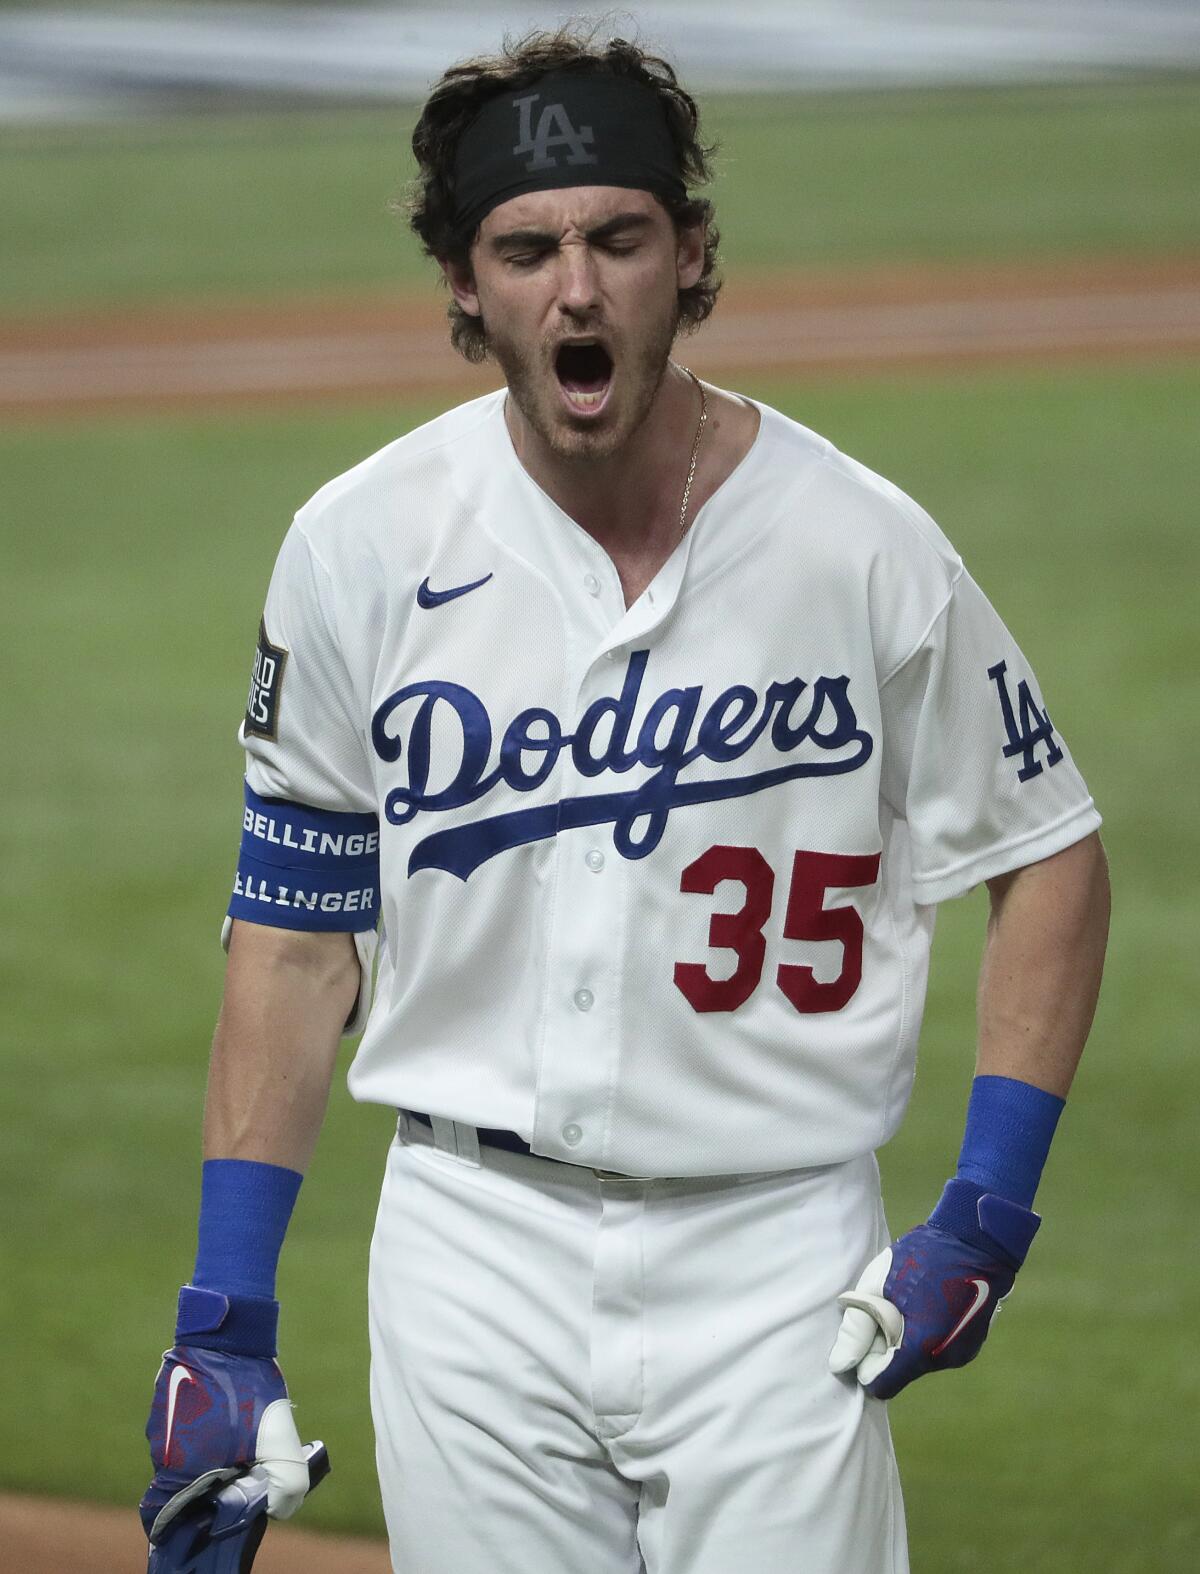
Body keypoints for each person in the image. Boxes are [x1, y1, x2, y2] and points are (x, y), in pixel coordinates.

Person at [141, 26, 1110, 1574]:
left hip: (784, 1255)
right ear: (465, 284)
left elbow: (1047, 850)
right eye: (525, 248)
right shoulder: (357, 546)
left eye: (618, 238)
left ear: (692, 254)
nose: (575, 289)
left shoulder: (860, 545)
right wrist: (226, 1317)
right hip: (472, 1248)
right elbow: (297, 932)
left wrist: (986, 1213)